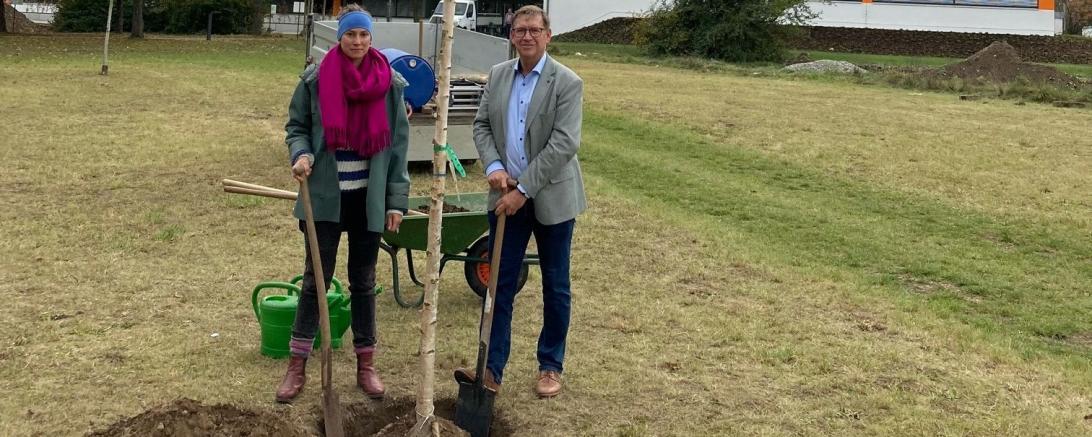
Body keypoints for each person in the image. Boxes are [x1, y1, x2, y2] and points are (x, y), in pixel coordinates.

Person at [276, 4, 411, 403]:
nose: (357, 41)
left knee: (364, 283)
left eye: (363, 35)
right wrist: (301, 154)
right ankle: (297, 365)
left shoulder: (390, 84)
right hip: (325, 199)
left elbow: (399, 150)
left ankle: (366, 365)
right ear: (339, 37)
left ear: (372, 39)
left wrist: (396, 201)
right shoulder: (316, 80)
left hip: (367, 201)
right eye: (350, 34)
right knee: (314, 280)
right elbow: (296, 127)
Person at [456, 5, 585, 399]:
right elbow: (481, 124)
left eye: (534, 29)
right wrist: (493, 165)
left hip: (551, 196)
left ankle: (550, 365)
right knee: (500, 283)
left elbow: (564, 143)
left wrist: (522, 191)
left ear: (548, 35)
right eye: (519, 30)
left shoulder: (566, 82)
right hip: (504, 194)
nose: (526, 36)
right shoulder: (497, 76)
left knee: (555, 284)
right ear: (511, 36)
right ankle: (492, 369)